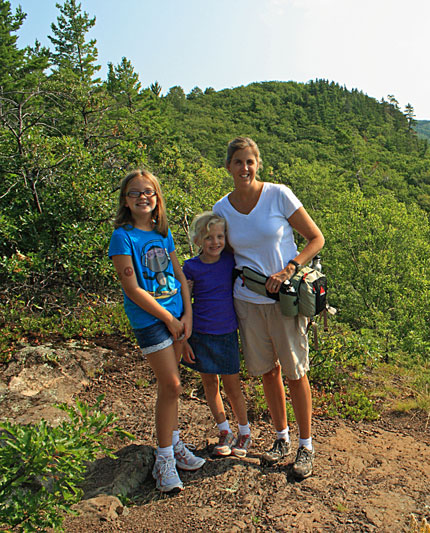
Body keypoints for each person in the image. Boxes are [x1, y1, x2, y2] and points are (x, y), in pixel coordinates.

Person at [213, 137, 324, 479]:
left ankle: (306, 446)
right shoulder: (222, 208)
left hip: (284, 301)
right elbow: (220, 251)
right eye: (238, 162)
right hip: (246, 300)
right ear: (229, 166)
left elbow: (316, 237)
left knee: (295, 373)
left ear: (258, 163)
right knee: (267, 371)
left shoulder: (278, 194)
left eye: (250, 161)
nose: (244, 168)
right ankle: (281, 438)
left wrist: (289, 268)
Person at [109, 169, 206, 493]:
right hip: (151, 321)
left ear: (157, 197)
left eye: (148, 192)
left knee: (170, 387)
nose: (142, 198)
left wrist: (187, 314)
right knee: (173, 384)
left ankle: (173, 443)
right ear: (126, 200)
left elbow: (179, 276)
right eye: (135, 193)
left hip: (178, 316)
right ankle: (163, 460)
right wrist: (170, 319)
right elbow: (133, 289)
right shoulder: (123, 237)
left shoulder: (162, 233)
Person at [181, 212, 251, 457]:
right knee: (210, 384)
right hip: (201, 333)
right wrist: (184, 340)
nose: (215, 242)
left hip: (226, 333)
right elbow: (184, 304)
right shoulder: (190, 267)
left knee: (233, 387)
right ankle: (224, 431)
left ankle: (244, 433)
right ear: (198, 239)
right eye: (209, 237)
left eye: (220, 236)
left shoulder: (230, 261)